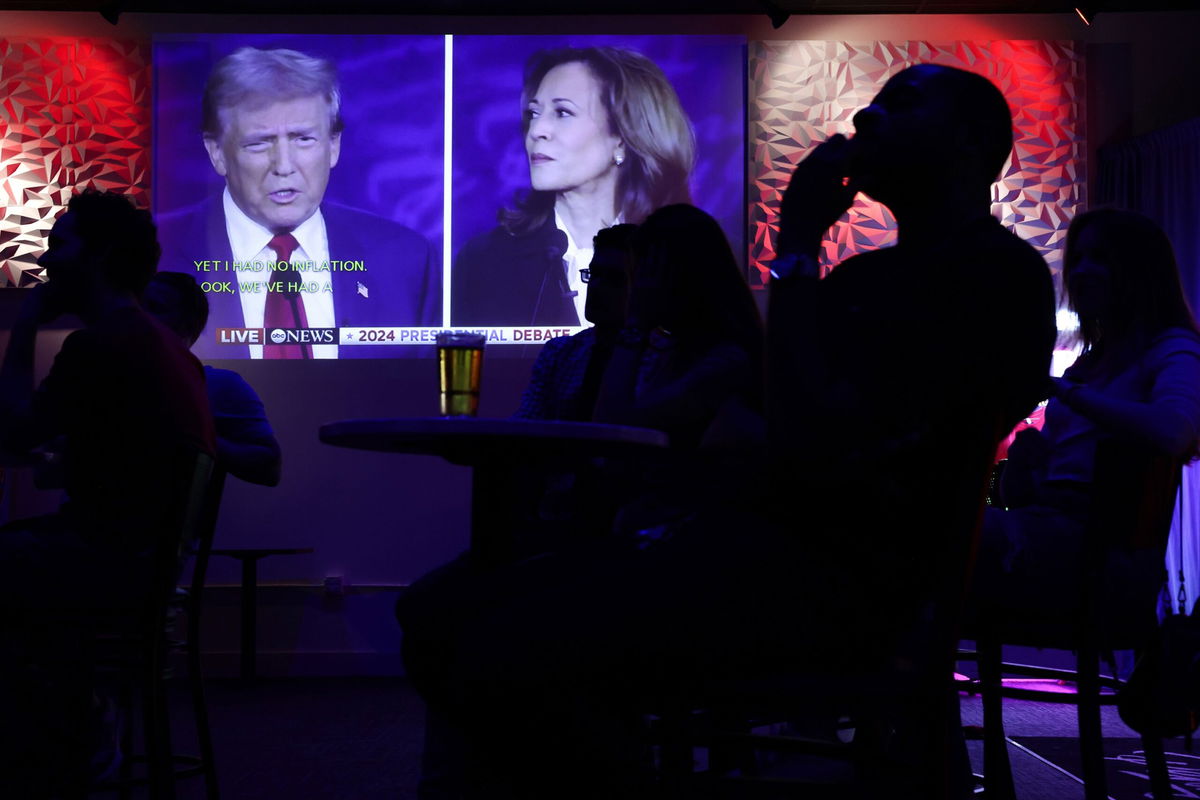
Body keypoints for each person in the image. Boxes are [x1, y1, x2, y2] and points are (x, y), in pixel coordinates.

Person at [0, 190, 215, 794]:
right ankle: (74, 727)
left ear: (101, 257)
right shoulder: (159, 345)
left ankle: (59, 746)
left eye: (60, 244)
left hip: (109, 564)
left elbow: (15, 430)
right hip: (140, 562)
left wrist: (23, 328)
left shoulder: (103, 344)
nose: (45, 260)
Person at [974, 209, 1200, 614]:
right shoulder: (1088, 364)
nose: (1080, 271)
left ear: (1138, 271)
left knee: (944, 535)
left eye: (1100, 259)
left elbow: (1175, 431)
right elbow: (1022, 495)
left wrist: (1066, 391)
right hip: (1052, 531)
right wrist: (1025, 464)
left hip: (1099, 555)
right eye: (1077, 259)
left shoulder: (1172, 347)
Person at [157, 46, 440, 359]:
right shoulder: (157, 251)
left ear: (333, 146)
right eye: (259, 143)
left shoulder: (405, 259)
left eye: (303, 139)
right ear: (217, 152)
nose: (284, 165)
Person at [451, 46, 694, 327]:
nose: (536, 131)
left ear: (622, 136)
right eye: (534, 113)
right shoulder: (485, 262)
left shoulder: (685, 257)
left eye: (562, 112)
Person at [142, 271, 283, 486]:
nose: (140, 317)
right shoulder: (98, 370)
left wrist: (191, 435)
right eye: (135, 309)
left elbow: (268, 466)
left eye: (155, 308)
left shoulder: (216, 385)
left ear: (187, 325)